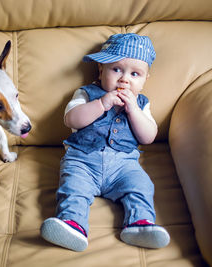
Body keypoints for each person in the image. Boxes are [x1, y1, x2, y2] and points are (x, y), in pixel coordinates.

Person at [40, 33, 170, 251]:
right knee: (73, 188)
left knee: (141, 186)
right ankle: (72, 225)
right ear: (101, 70)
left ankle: (139, 224)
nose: (124, 79)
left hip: (124, 166)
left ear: (145, 79)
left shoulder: (141, 103)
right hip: (82, 161)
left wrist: (134, 110)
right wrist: (101, 103)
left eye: (135, 74)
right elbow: (71, 119)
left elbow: (148, 137)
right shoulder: (87, 93)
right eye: (116, 69)